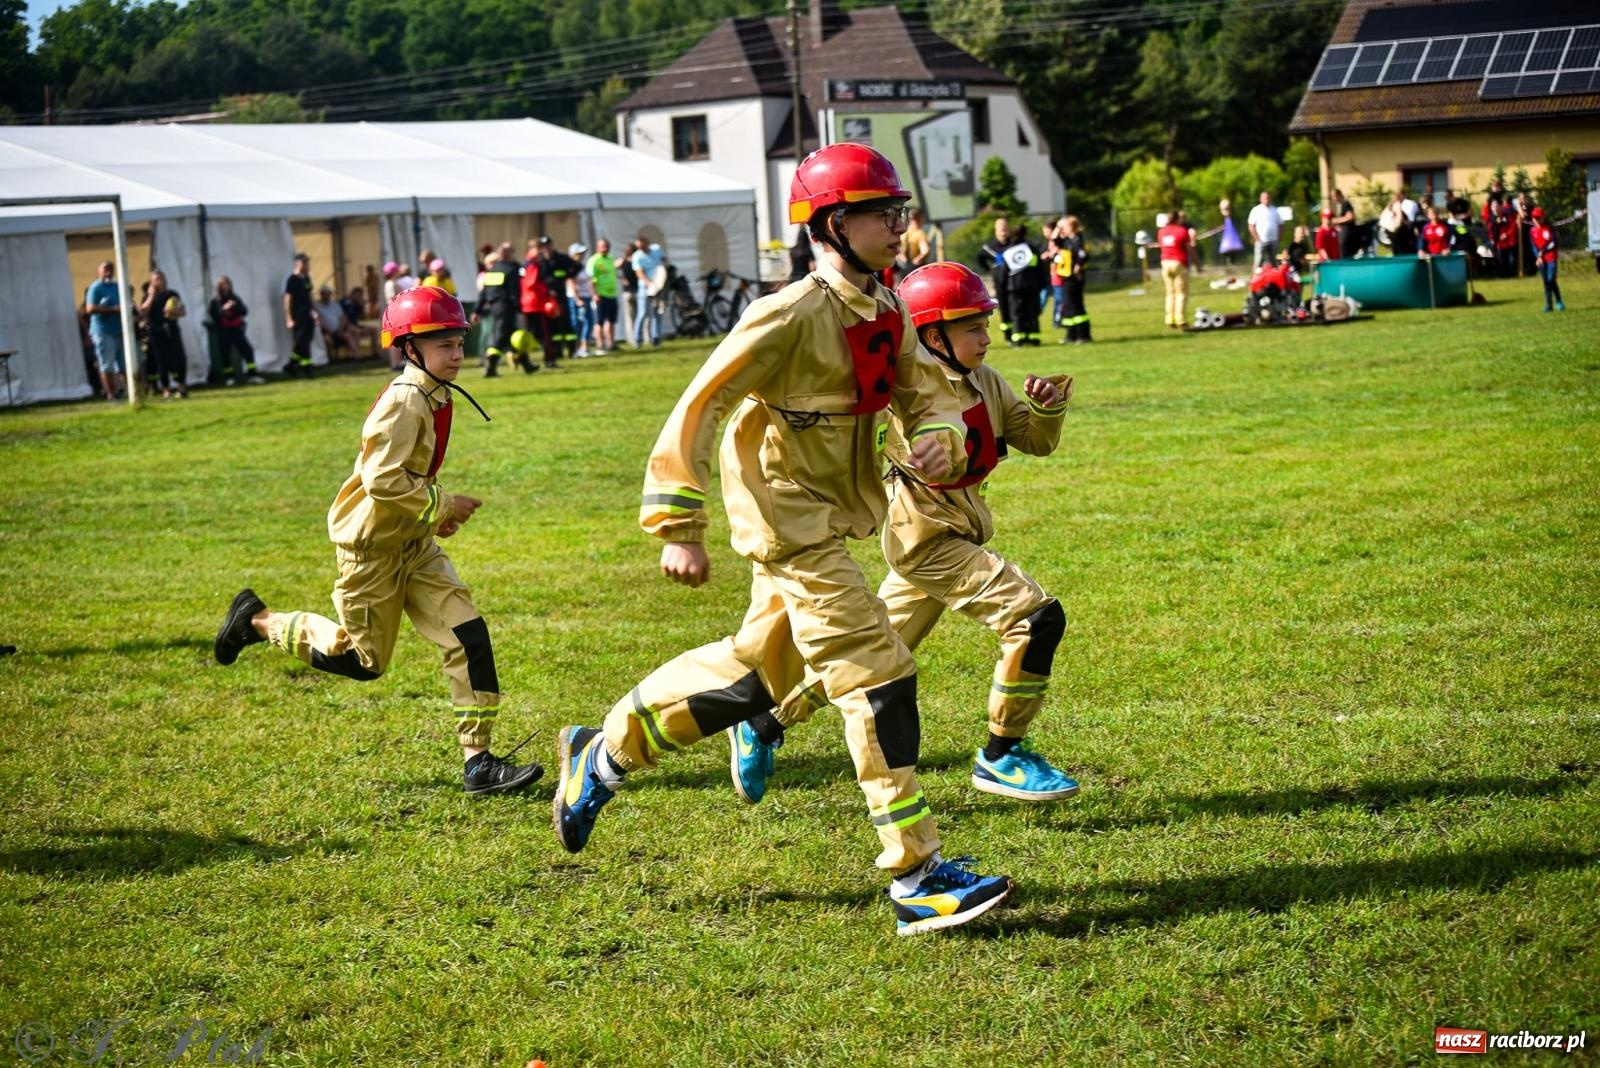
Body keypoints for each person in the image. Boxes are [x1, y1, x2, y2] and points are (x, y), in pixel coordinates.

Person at [551, 143, 1014, 936]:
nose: (899, 225)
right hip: (787, 522)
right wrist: (678, 525)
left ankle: (604, 752)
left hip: (831, 517)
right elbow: (697, 407)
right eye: (882, 213)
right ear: (832, 224)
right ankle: (917, 873)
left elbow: (925, 392)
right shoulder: (788, 314)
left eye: (899, 210)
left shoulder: (888, 307)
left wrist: (940, 435)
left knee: (753, 677)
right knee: (878, 674)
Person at [728, 260, 1079, 812]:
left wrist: (1046, 409)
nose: (987, 337)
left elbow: (1035, 440)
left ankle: (766, 722)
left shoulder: (987, 382)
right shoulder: (902, 398)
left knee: (866, 659)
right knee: (1036, 618)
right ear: (931, 335)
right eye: (972, 327)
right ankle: (1003, 752)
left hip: (953, 538)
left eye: (985, 324)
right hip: (928, 545)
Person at [211, 286, 543, 797]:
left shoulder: (434, 393)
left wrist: (433, 520)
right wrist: (443, 505)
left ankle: (478, 763)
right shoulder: (405, 400)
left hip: (414, 547)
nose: (456, 355)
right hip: (370, 555)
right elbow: (382, 481)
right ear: (410, 348)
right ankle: (257, 622)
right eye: (442, 346)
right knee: (363, 662)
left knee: (468, 636)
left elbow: (407, 480)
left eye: (458, 343)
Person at [140, 268, 189, 399]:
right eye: (156, 279)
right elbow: (143, 312)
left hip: (171, 329)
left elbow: (183, 312)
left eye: (161, 278)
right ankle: (166, 389)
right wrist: (151, 295)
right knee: (162, 361)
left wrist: (172, 312)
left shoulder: (172, 294)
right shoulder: (147, 296)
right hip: (155, 331)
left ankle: (181, 387)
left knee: (179, 358)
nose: (159, 281)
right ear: (151, 282)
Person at [473, 242, 521, 377]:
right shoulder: (511, 269)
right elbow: (514, 292)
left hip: (495, 307)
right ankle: (491, 367)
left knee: (513, 334)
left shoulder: (492, 270)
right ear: (509, 254)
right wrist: (519, 309)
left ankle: (527, 364)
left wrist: (477, 310)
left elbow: (484, 293)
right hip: (507, 307)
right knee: (500, 337)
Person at [532, 237, 579, 367]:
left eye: (548, 245)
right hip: (546, 298)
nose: (546, 248)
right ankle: (556, 351)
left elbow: (576, 266)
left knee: (566, 322)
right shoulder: (539, 261)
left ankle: (572, 349)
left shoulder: (561, 258)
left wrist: (568, 275)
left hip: (560, 295)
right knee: (551, 327)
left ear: (552, 246)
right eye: (543, 246)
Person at [84, 260, 127, 402]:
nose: (108, 271)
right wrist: (112, 310)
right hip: (103, 332)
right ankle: (111, 395)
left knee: (124, 364)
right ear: (99, 272)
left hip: (120, 330)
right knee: (107, 364)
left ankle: (130, 392)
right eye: (105, 268)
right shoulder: (95, 287)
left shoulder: (117, 286)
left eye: (110, 268)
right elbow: (89, 309)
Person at [208, 276, 264, 386]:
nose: (226, 286)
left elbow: (244, 311)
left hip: (236, 330)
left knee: (248, 351)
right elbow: (214, 315)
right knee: (225, 354)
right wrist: (223, 309)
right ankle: (229, 378)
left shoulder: (234, 298)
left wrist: (235, 306)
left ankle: (252, 375)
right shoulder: (215, 301)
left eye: (227, 284)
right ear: (219, 286)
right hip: (223, 331)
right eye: (223, 284)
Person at [1003, 221, 1045, 347]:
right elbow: (1040, 268)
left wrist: (1003, 285)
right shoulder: (1033, 249)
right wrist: (1042, 283)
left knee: (1017, 313)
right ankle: (1034, 338)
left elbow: (1004, 271)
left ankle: (1018, 339)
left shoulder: (1009, 250)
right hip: (1032, 286)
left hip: (1014, 287)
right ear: (1026, 234)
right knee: (1032, 312)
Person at [1054, 215, 1092, 344]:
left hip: (1074, 279)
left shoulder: (1077, 240)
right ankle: (1071, 334)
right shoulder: (1066, 240)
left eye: (1064, 226)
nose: (1062, 229)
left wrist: (1078, 267)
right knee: (1068, 307)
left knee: (1076, 307)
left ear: (1071, 226)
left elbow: (1084, 255)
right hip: (1065, 278)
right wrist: (1059, 227)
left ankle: (1084, 335)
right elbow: (1054, 239)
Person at [976, 217, 1012, 341]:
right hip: (1000, 282)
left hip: (1015, 282)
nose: (1004, 232)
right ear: (996, 231)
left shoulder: (1014, 244)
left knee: (1016, 308)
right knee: (1005, 309)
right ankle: (1008, 336)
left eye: (1006, 229)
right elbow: (980, 258)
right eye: (1001, 229)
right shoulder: (990, 247)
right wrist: (991, 270)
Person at [282, 251, 317, 378]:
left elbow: (309, 296)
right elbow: (287, 299)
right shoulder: (292, 279)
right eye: (305, 263)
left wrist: (314, 312)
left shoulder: (306, 278)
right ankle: (307, 368)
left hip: (307, 314)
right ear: (298, 264)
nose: (307, 265)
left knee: (304, 340)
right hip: (297, 315)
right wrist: (289, 318)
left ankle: (291, 365)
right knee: (302, 341)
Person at [1157, 210, 1193, 330]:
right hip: (1178, 263)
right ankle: (1180, 319)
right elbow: (1188, 249)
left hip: (1165, 263)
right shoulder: (1182, 231)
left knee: (1170, 293)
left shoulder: (1161, 231)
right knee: (1181, 292)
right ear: (1178, 219)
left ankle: (1169, 319)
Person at [630, 235, 665, 348]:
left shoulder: (656, 249)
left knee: (657, 312)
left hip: (659, 284)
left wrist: (661, 276)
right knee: (643, 312)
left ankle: (656, 338)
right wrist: (650, 284)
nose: (642, 249)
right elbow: (639, 273)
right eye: (639, 248)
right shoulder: (637, 256)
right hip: (645, 287)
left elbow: (663, 261)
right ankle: (637, 339)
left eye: (643, 247)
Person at [1528, 206, 1565, 312]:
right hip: (1541, 260)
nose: (1537, 220)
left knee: (1551, 279)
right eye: (1535, 218)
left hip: (1551, 258)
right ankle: (1549, 304)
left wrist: (1542, 252)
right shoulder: (1532, 231)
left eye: (1539, 218)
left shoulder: (1549, 228)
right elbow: (1533, 245)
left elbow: (1553, 243)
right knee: (1546, 281)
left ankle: (1559, 301)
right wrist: (1538, 256)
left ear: (1543, 218)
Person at [587, 238, 618, 355]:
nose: (605, 248)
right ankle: (600, 344)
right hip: (600, 295)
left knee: (611, 320)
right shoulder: (594, 260)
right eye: (603, 246)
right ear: (598, 247)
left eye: (607, 246)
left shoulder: (610, 258)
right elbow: (591, 279)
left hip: (612, 294)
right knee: (599, 321)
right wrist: (594, 294)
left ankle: (611, 343)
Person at [315, 284, 360, 360]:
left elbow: (343, 318)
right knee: (327, 340)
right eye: (326, 294)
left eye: (329, 294)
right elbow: (319, 322)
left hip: (339, 330)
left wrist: (340, 329)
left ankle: (355, 357)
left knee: (349, 335)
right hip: (326, 332)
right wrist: (327, 331)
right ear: (321, 295)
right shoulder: (317, 307)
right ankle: (331, 359)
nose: (327, 296)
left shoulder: (335, 305)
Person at [567, 242, 595, 358]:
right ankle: (576, 347)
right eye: (580, 253)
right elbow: (571, 283)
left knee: (589, 321)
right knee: (577, 323)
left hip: (586, 297)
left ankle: (585, 347)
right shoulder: (571, 267)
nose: (583, 255)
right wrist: (577, 299)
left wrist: (592, 294)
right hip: (576, 299)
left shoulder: (582, 266)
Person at [1247, 191, 1280, 267]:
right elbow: (1251, 226)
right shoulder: (1256, 210)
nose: (1266, 200)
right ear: (1260, 199)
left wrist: (1278, 238)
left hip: (1273, 240)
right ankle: (1255, 278)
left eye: (1268, 198)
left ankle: (1273, 278)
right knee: (1258, 261)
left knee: (1273, 262)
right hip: (1261, 241)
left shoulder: (1275, 210)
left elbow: (1280, 225)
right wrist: (1257, 239)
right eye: (1264, 198)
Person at [1217, 198, 1244, 267]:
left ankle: (1232, 263)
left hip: (1232, 238)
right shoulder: (1221, 217)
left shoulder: (1232, 217)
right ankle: (1227, 263)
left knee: (1232, 251)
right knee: (1226, 251)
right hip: (1225, 239)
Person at [1331, 189, 1357, 259]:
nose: (1333, 199)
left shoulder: (1345, 203)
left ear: (1339, 195)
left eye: (1334, 196)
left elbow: (1350, 217)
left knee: (1345, 254)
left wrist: (1336, 220)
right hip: (1346, 233)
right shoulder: (1343, 205)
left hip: (1348, 234)